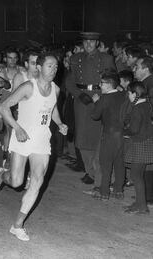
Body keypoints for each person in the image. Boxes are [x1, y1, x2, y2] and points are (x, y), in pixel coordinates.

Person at [0, 53, 68, 241]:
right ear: (39, 68)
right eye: (50, 66)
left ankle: (17, 225)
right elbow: (4, 107)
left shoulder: (56, 89)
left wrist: (59, 123)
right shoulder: (28, 87)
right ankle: (2, 175)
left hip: (41, 141)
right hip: (22, 138)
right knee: (16, 182)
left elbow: (52, 108)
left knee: (36, 183)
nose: (54, 70)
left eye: (56, 67)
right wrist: (17, 128)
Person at [66, 32, 116, 189]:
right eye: (86, 41)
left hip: (99, 98)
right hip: (81, 102)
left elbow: (114, 79)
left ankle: (104, 175)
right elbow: (69, 81)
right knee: (81, 139)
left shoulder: (106, 58)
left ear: (97, 42)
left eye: (92, 41)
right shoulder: (75, 59)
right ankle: (91, 172)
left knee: (98, 139)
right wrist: (79, 95)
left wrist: (103, 96)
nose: (88, 44)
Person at [91, 71, 126, 200]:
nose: (100, 85)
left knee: (105, 164)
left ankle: (104, 192)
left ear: (109, 85)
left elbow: (95, 115)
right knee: (119, 163)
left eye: (102, 83)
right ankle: (118, 190)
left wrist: (96, 102)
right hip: (122, 134)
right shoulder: (124, 95)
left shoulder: (104, 98)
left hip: (109, 134)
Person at [122, 81, 153, 214]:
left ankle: (142, 207)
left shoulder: (137, 108)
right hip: (146, 142)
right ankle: (140, 203)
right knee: (138, 174)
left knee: (136, 175)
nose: (128, 95)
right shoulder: (147, 105)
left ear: (135, 94)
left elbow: (134, 129)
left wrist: (125, 132)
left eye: (129, 93)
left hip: (140, 144)